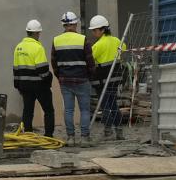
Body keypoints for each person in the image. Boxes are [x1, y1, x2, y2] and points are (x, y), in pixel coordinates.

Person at [52, 10, 94, 146]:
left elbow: (54, 62)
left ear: (63, 25)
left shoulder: (56, 40)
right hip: (82, 79)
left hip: (65, 80)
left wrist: (60, 76)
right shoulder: (82, 39)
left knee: (69, 110)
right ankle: (85, 138)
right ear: (75, 23)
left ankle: (70, 138)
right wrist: (89, 75)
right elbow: (90, 61)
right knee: (85, 110)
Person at [11, 19, 55, 138]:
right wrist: (49, 79)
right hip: (39, 86)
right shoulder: (37, 48)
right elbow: (43, 70)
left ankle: (28, 134)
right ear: (36, 33)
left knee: (28, 110)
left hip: (25, 86)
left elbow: (15, 69)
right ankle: (48, 135)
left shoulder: (18, 48)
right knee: (48, 110)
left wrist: (18, 85)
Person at [89, 15, 127, 141]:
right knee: (113, 104)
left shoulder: (98, 45)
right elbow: (123, 51)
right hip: (115, 80)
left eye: (95, 30)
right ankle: (119, 131)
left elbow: (90, 60)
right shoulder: (117, 41)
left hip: (102, 81)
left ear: (102, 30)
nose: (94, 33)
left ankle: (107, 131)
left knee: (105, 105)